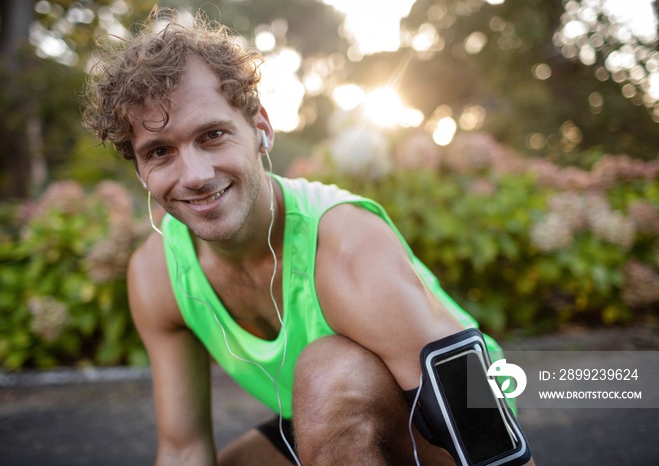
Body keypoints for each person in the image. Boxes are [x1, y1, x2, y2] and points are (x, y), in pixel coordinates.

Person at [82, 9, 534, 466]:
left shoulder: (344, 242)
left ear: (261, 129)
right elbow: (183, 448)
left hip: (454, 432)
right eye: (160, 152)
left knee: (330, 375)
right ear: (140, 170)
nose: (195, 175)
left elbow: (480, 426)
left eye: (213, 135)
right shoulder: (156, 272)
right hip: (326, 425)